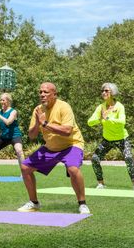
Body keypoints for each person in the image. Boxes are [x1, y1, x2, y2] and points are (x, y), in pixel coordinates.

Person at [17, 82, 90, 214]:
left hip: (71, 144)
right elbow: (32, 136)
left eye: (46, 92)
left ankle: (82, 203)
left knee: (73, 169)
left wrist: (45, 123)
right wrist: (38, 123)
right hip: (51, 147)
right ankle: (34, 203)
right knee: (25, 168)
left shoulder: (64, 107)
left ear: (54, 94)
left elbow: (67, 131)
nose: (42, 95)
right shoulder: (38, 110)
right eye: (40, 92)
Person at [88, 83, 134, 190]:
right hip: (107, 139)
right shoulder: (100, 107)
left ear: (113, 92)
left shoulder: (119, 106)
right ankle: (101, 183)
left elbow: (122, 122)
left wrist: (107, 118)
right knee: (95, 159)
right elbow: (90, 122)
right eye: (102, 91)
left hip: (122, 138)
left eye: (106, 91)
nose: (103, 93)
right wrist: (99, 118)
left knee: (128, 157)